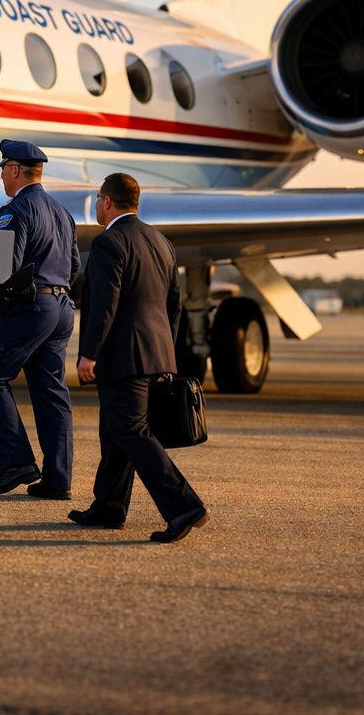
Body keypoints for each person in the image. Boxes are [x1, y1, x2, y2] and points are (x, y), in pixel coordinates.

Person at [71, 173, 209, 543]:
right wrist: (166, 355)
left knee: (130, 430)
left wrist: (89, 354)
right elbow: (173, 304)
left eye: (98, 200)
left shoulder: (109, 242)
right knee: (115, 428)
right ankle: (109, 506)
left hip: (123, 355)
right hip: (153, 353)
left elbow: (104, 304)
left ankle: (184, 506)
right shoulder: (161, 241)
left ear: (106, 201)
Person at [0, 140, 79, 498]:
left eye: (3, 170)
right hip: (61, 307)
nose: (1, 177)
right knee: (51, 392)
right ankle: (58, 479)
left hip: (30, 308)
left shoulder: (16, 210)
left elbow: (5, 265)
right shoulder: (62, 212)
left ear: (14, 169)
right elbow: (74, 265)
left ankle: (17, 463)